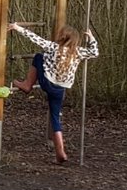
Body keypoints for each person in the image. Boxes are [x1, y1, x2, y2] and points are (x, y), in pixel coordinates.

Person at [7, 21, 99, 164]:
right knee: (55, 118)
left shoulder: (53, 47)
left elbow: (35, 38)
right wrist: (91, 38)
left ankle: (27, 84)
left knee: (38, 56)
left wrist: (16, 27)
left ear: (62, 37)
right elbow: (95, 52)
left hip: (47, 83)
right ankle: (60, 151)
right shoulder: (78, 52)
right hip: (60, 89)